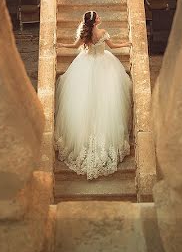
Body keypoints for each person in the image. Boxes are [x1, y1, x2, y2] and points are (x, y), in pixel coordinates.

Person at [54, 10, 133, 180]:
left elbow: (75, 46)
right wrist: (127, 43)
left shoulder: (86, 35)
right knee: (105, 100)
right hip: (104, 65)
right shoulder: (103, 33)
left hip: (87, 65)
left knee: (86, 101)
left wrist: (61, 45)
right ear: (95, 21)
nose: (100, 17)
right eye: (97, 17)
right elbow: (112, 46)